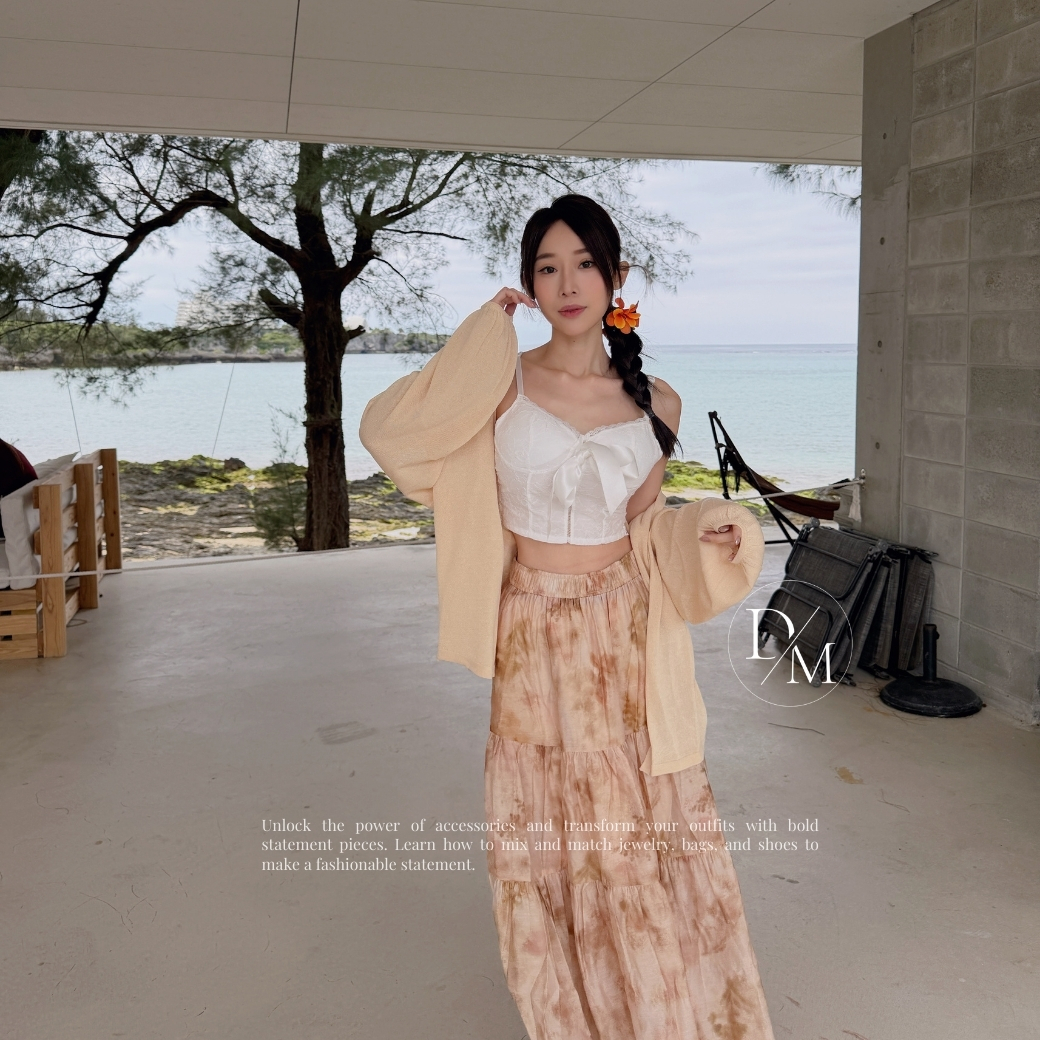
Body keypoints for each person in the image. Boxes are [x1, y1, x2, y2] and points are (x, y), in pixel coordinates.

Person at [360, 194, 775, 1039]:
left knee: (634, 828)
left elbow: (645, 526)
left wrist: (705, 525)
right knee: (548, 833)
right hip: (532, 630)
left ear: (616, 277)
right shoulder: (501, 384)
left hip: (624, 631)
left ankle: (660, 1010)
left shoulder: (658, 401)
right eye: (547, 268)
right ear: (529, 284)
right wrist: (478, 339)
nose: (568, 283)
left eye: (585, 263)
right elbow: (391, 435)